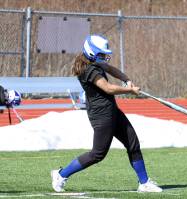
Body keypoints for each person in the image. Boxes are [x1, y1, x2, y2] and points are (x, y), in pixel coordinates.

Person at [51, 34, 162, 193]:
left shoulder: (94, 61)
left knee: (133, 144)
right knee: (97, 154)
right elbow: (108, 88)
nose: (104, 57)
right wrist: (129, 90)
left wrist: (125, 78)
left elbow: (110, 69)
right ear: (91, 52)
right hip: (101, 116)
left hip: (112, 111)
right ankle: (61, 175)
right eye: (101, 54)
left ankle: (144, 183)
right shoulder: (87, 69)